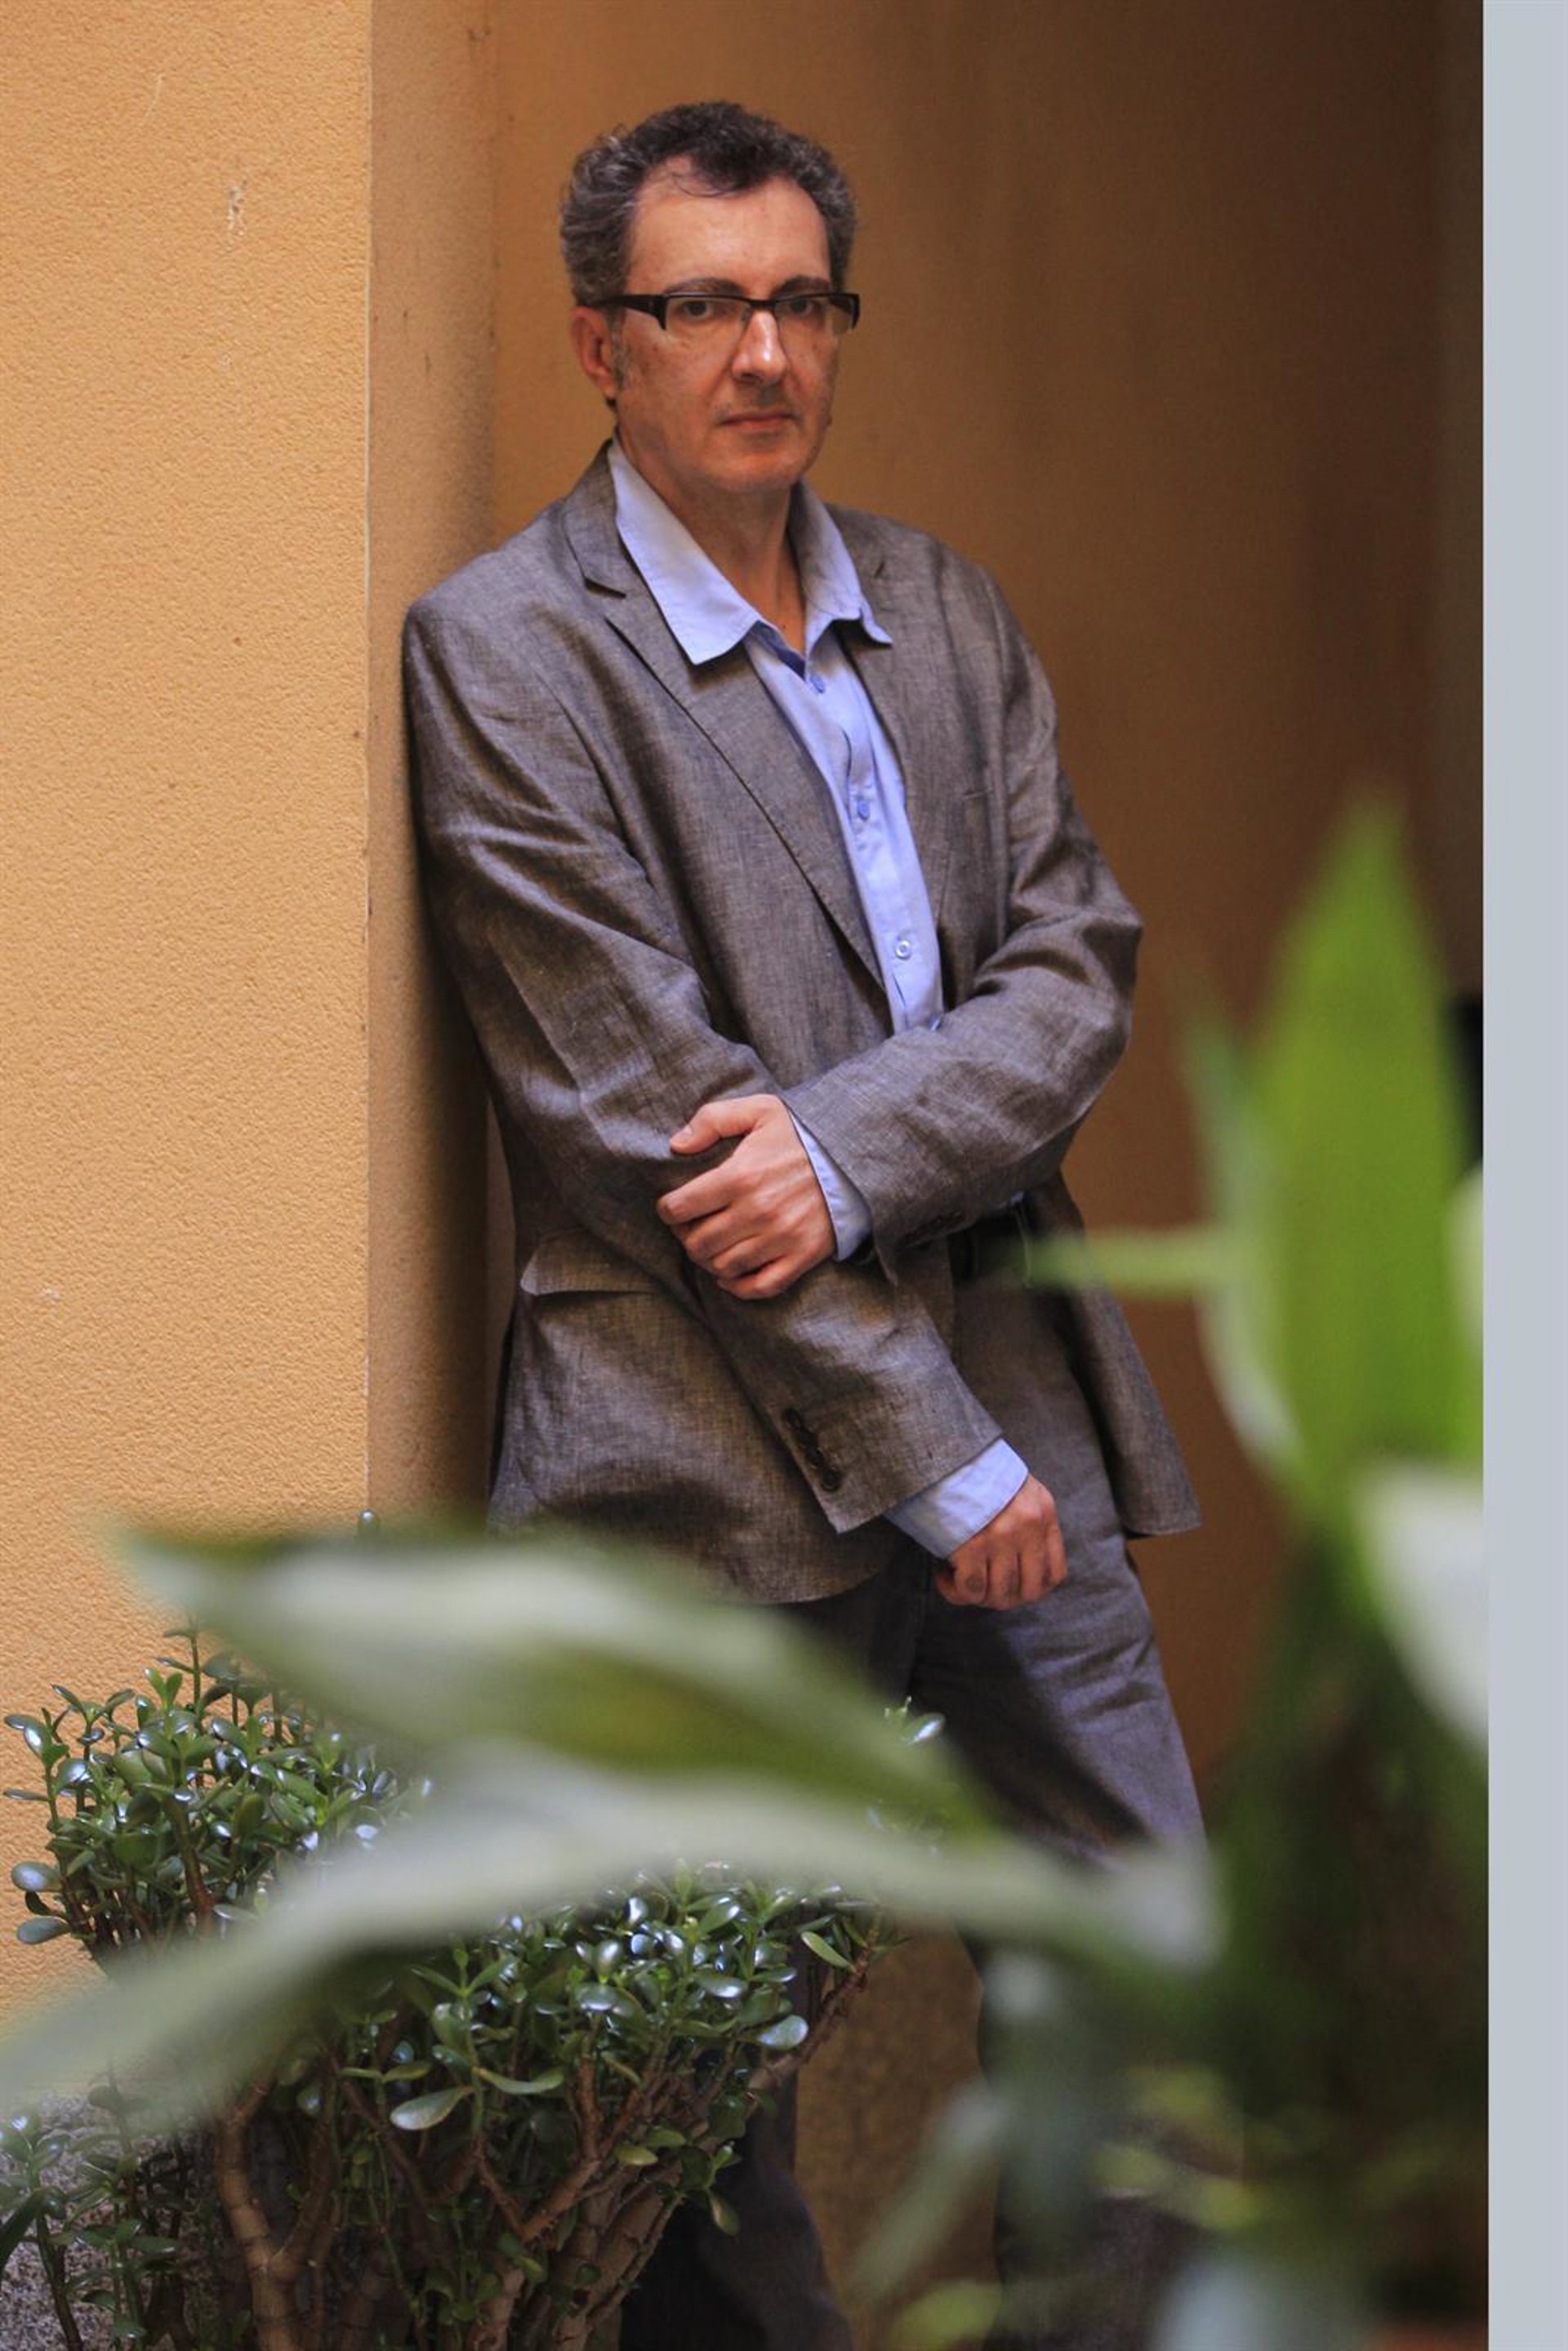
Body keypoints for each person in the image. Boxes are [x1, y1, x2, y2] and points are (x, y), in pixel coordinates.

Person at [404, 98, 1202, 2351]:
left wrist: (843, 1154)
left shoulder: (941, 611)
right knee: (698, 2068)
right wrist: (931, 1453)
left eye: (799, 301)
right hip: (704, 1442)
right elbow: (632, 1114)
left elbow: (1073, 972)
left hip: (1019, 1388)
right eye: (703, 307)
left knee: (1143, 1959)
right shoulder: (506, 651)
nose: (763, 352)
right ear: (603, 343)